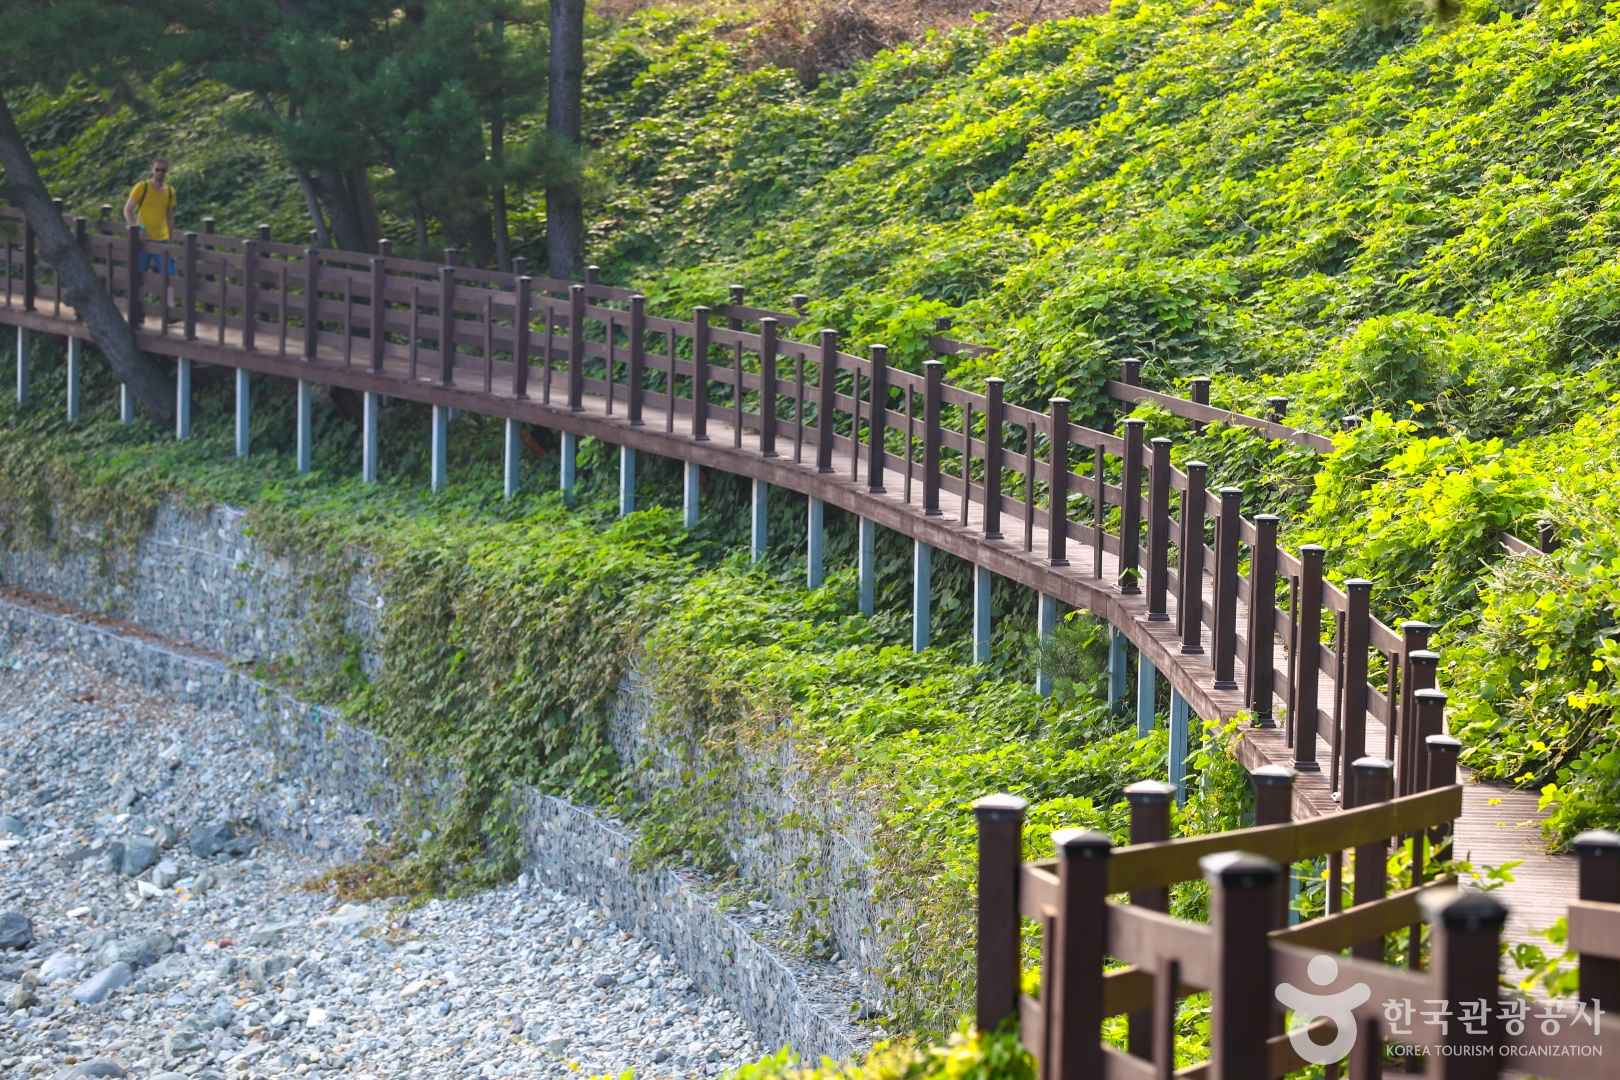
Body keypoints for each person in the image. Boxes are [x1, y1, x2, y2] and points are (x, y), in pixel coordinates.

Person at [123, 158, 178, 314]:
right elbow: (127, 210)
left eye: (163, 170)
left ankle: (170, 310)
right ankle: (136, 309)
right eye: (157, 170)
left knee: (170, 275)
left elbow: (170, 216)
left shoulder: (170, 191)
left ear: (167, 172)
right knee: (139, 274)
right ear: (152, 170)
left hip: (162, 240)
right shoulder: (142, 187)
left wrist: (171, 238)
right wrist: (137, 228)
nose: (160, 173)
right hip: (143, 240)